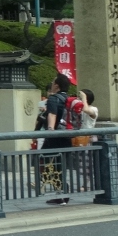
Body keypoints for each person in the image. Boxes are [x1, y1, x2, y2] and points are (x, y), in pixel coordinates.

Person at [41, 73, 77, 203]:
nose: (51, 84)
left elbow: (52, 114)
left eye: (53, 82)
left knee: (44, 161)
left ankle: (62, 193)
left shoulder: (53, 98)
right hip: (67, 135)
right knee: (60, 165)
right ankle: (62, 194)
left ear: (56, 85)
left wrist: (50, 130)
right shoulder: (68, 99)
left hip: (54, 137)